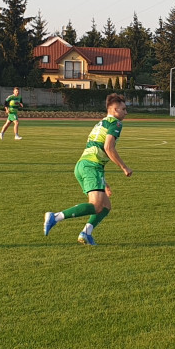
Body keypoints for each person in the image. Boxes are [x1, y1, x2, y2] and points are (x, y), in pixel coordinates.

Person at [44, 93, 132, 246]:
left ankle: (86, 233)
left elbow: (96, 150)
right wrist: (124, 167)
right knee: (96, 205)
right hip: (92, 167)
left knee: (105, 206)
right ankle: (55, 217)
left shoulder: (100, 123)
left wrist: (104, 183)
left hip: (83, 165)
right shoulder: (116, 124)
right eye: (123, 109)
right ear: (115, 109)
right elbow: (108, 148)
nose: (126, 112)